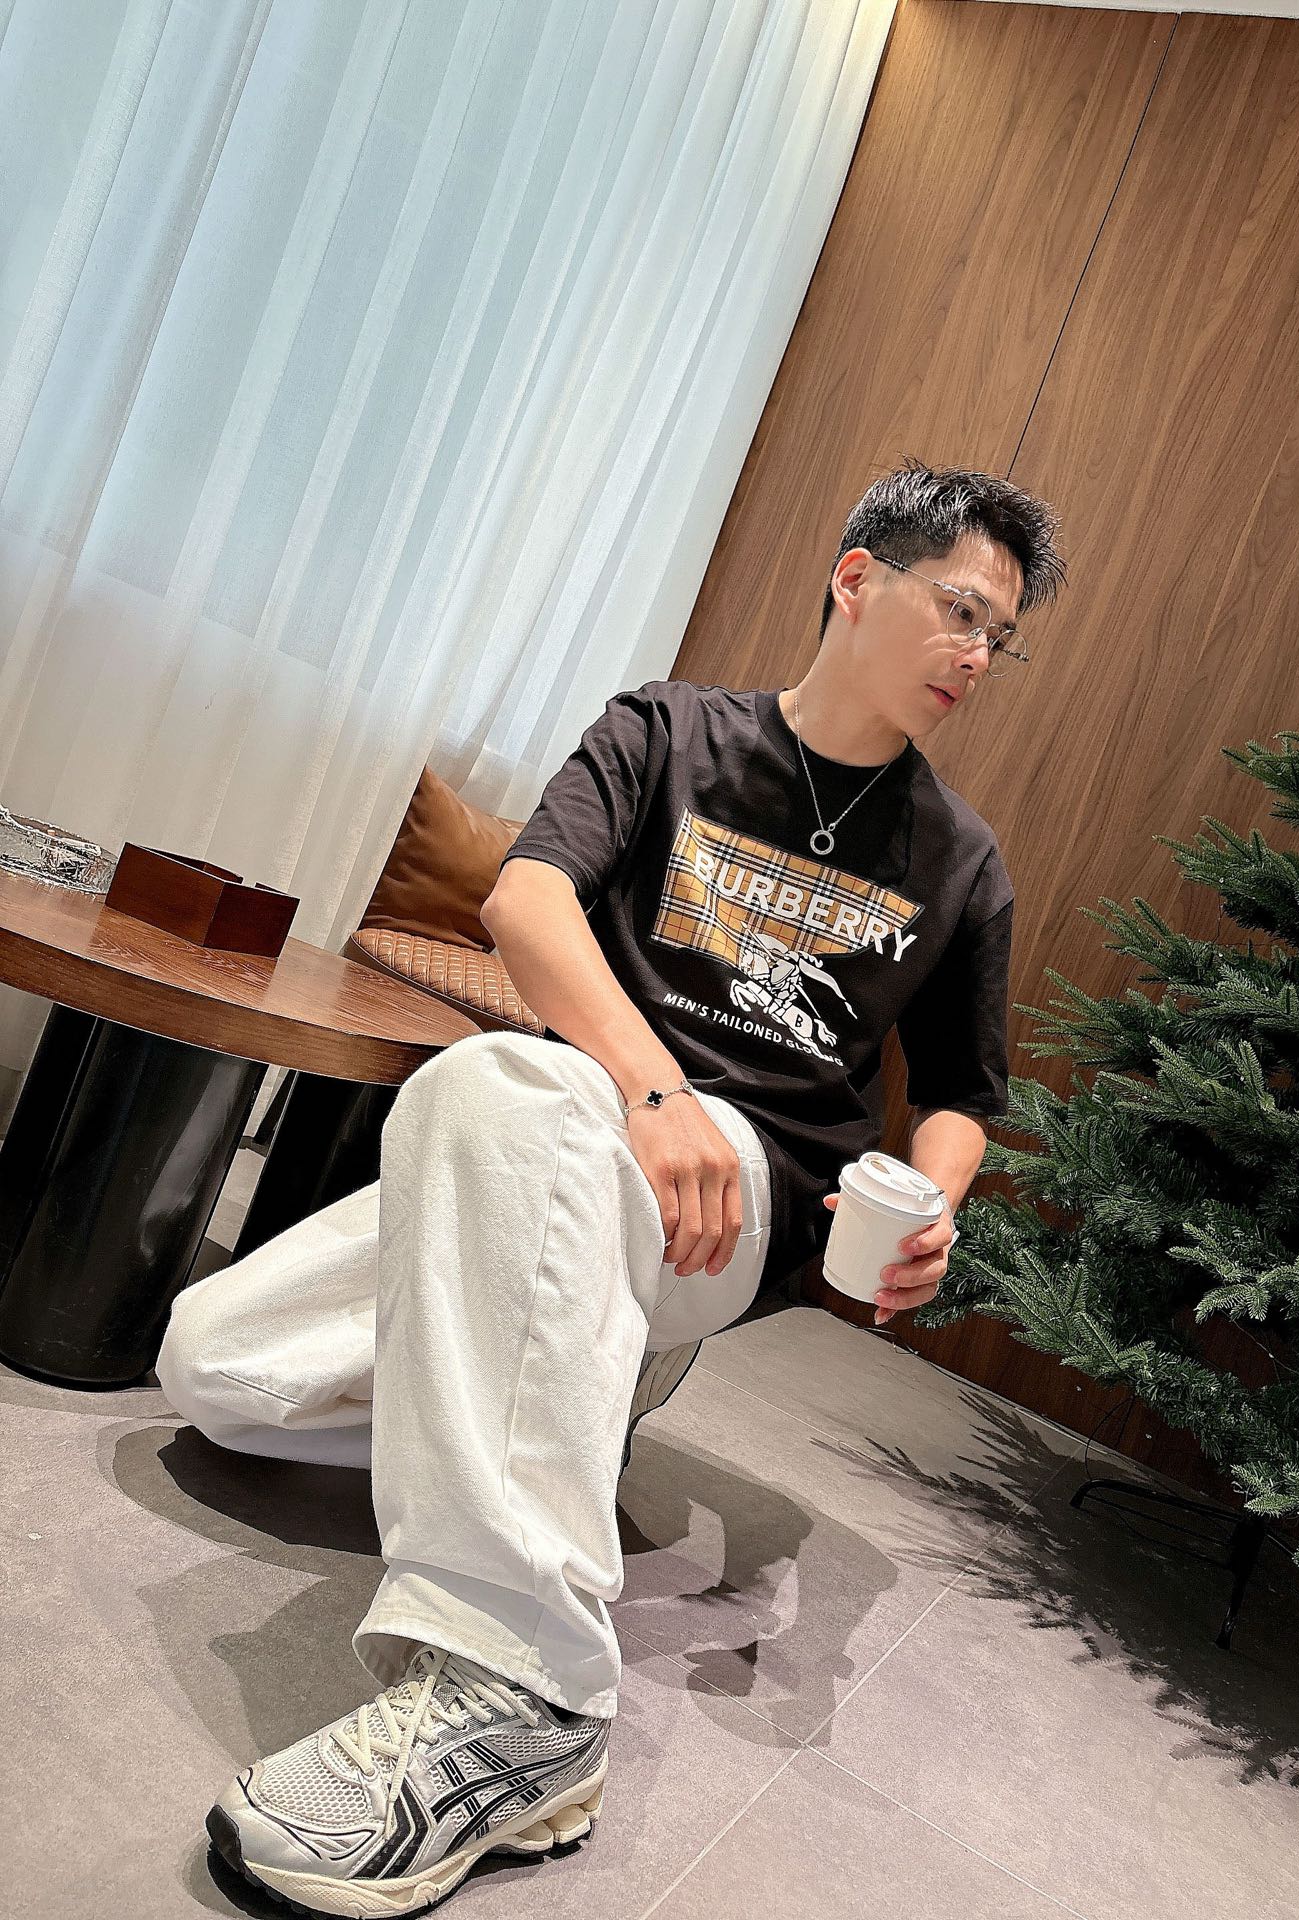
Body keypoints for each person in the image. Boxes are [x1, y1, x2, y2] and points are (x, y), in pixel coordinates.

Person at [155, 457, 1065, 1916]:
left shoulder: (960, 860)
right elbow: (525, 898)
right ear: (856, 577)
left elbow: (962, 1089)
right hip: (593, 1130)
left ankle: (525, 1694)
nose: (976, 655)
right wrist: (651, 1091)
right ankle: (577, 1381)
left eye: (998, 638)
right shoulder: (670, 732)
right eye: (960, 610)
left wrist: (935, 1201)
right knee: (217, 1367)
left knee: (487, 1085)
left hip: (750, 1189)